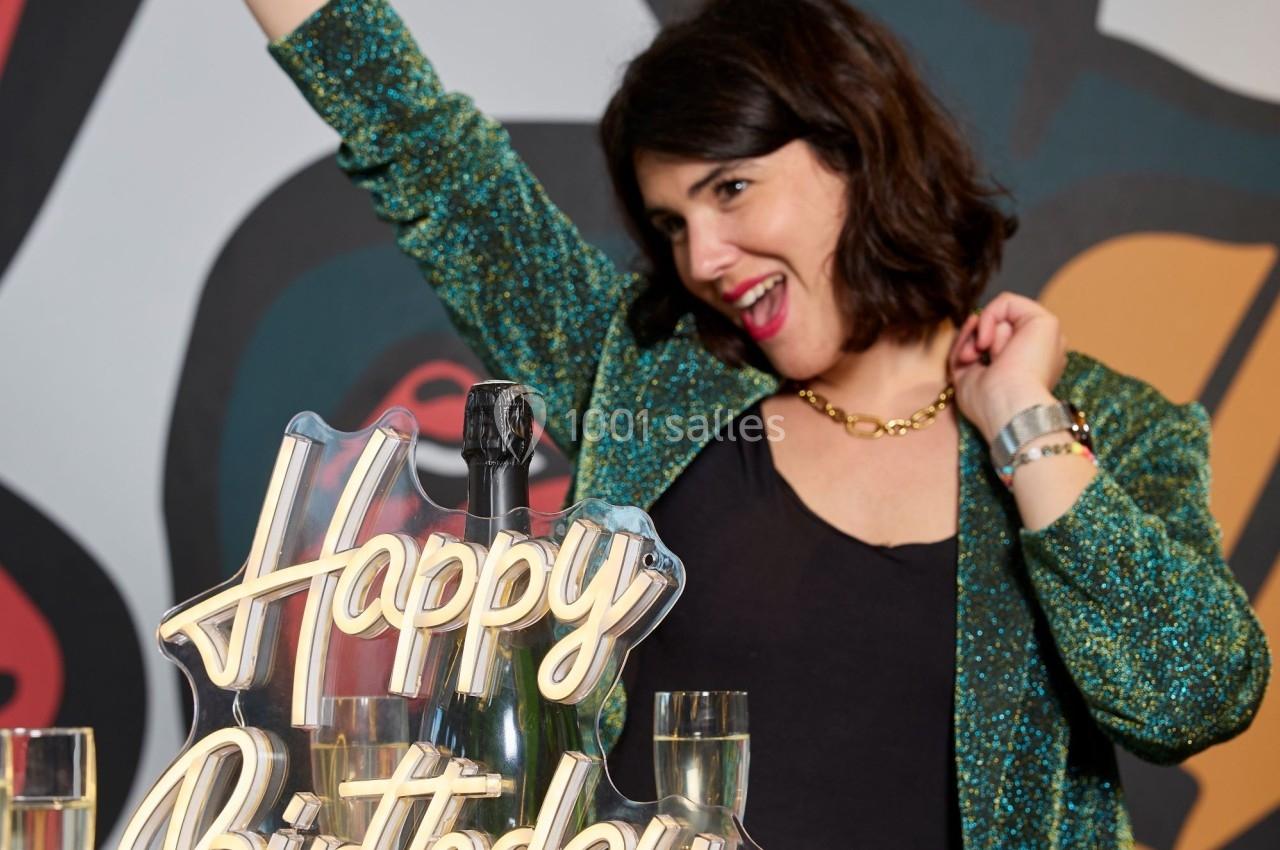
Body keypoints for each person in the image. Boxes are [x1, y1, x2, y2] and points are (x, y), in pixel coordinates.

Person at [245, 0, 1271, 846]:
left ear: (855, 150)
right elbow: (427, 156)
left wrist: (1025, 428)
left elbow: (1194, 696)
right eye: (672, 223)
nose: (701, 260)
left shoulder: (1109, 429)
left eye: (731, 189)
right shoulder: (651, 381)